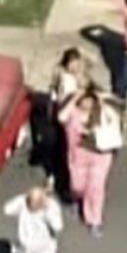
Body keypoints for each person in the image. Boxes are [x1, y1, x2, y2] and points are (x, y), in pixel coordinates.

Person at [59, 89, 121, 237]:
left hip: (100, 155)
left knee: (96, 188)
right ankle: (76, 198)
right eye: (84, 100)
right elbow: (61, 117)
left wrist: (101, 98)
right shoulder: (73, 113)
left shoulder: (103, 113)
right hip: (78, 156)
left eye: (90, 100)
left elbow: (116, 108)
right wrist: (75, 97)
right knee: (78, 185)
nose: (87, 103)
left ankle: (94, 221)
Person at [43, 47, 91, 189]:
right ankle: (56, 177)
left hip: (70, 118)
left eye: (77, 63)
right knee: (61, 148)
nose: (75, 66)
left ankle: (63, 177)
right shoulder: (66, 79)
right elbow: (63, 99)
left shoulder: (77, 76)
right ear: (67, 64)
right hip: (65, 117)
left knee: (66, 149)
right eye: (73, 63)